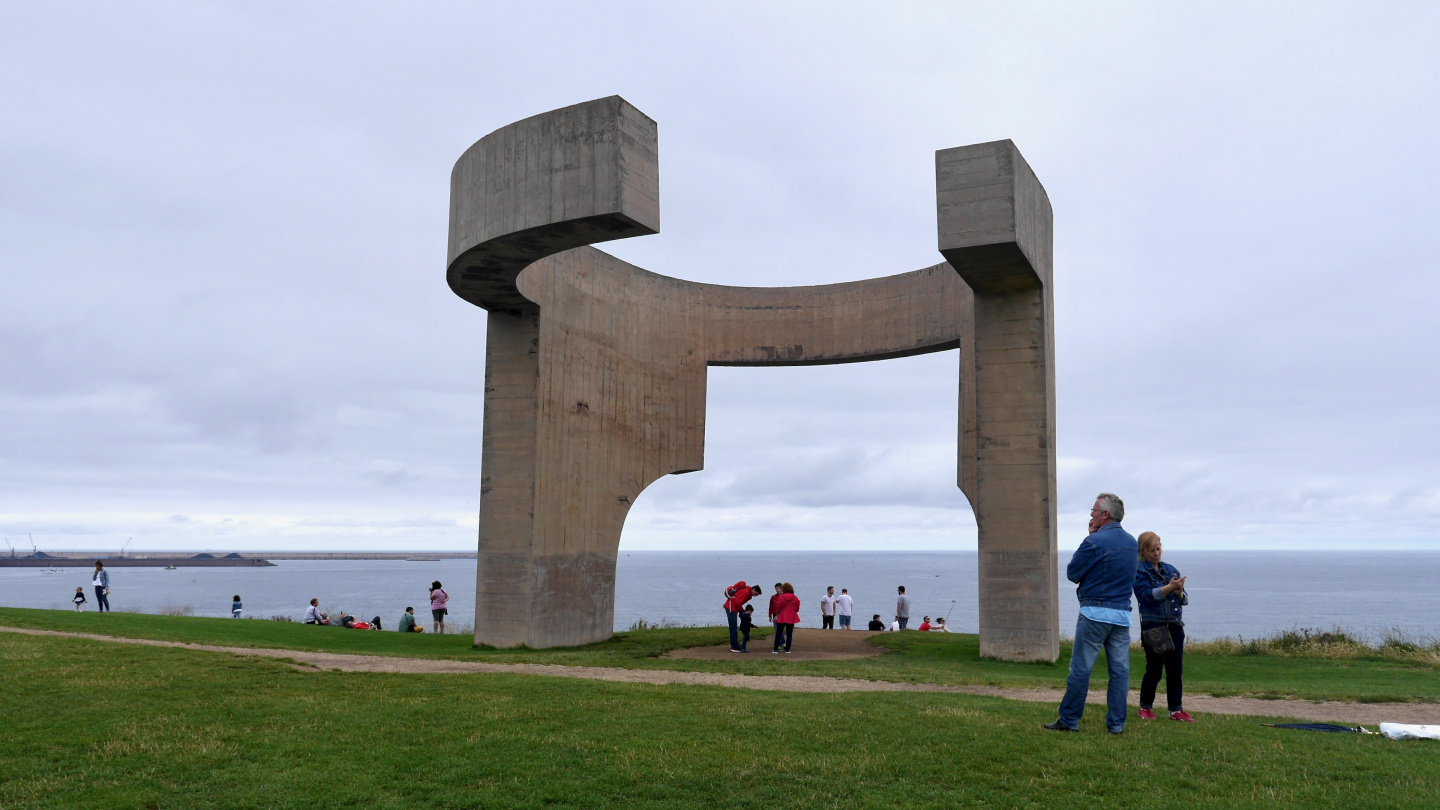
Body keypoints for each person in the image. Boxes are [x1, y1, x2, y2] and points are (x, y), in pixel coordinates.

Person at [1045, 492, 1138, 735]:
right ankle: (1116, 725)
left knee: (1081, 670)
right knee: (1119, 671)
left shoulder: (1094, 542)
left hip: (1094, 613)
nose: (1091, 515)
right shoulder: (1132, 543)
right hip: (1121, 615)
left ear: (1105, 515)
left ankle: (1069, 719)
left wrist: (1090, 537)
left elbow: (1073, 573)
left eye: (1094, 511)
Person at [1134, 531, 1194, 722]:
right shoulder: (1139, 571)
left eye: (1159, 548)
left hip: (1174, 624)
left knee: (1175, 669)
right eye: (1152, 550)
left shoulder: (1170, 569)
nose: (1157, 553)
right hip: (1154, 626)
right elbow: (1145, 595)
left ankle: (1176, 709)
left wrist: (1178, 592)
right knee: (1155, 668)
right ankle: (1145, 707)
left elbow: (1184, 599)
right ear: (1143, 551)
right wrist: (1168, 588)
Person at [723, 580, 763, 652]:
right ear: (753, 589)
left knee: (734, 627)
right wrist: (743, 611)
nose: (756, 595)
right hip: (731, 608)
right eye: (756, 593)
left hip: (731, 607)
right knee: (733, 628)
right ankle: (734, 647)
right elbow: (737, 602)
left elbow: (737, 602)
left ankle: (735, 644)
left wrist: (741, 611)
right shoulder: (746, 592)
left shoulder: (746, 592)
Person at [772, 583, 800, 654]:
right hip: (791, 617)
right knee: (789, 633)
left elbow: (778, 607)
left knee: (779, 633)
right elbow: (797, 608)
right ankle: (787, 649)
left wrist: (778, 613)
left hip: (782, 617)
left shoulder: (781, 597)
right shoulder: (795, 598)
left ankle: (776, 649)